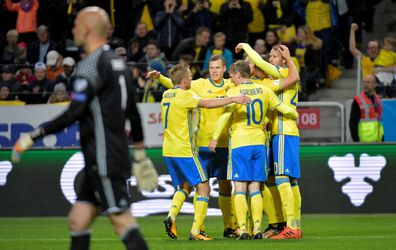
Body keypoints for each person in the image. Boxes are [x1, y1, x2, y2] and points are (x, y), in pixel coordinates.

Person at [11, 7, 158, 250]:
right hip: (105, 156)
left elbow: (74, 112)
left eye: (77, 24)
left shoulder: (90, 66)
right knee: (78, 221)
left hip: (103, 158)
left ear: (88, 30)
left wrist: (35, 134)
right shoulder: (118, 64)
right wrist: (140, 154)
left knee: (123, 222)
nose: (73, 28)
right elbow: (133, 111)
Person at [148, 55, 240, 239]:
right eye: (211, 67)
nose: (214, 70)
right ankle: (198, 229)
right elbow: (203, 101)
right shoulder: (195, 88)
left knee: (219, 186)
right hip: (195, 146)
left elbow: (174, 84)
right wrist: (233, 99)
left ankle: (228, 226)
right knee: (201, 186)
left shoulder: (232, 84)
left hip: (212, 144)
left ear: (224, 69)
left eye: (217, 67)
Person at [208, 60, 298, 240]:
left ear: (239, 74)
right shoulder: (264, 90)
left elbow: (225, 116)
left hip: (240, 143)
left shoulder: (234, 92)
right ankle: (257, 229)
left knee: (240, 188)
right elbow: (284, 109)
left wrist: (215, 137)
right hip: (259, 144)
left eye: (232, 75)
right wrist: (295, 114)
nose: (231, 79)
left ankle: (243, 230)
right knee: (256, 187)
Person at [237, 43, 302, 239]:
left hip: (284, 131)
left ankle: (292, 226)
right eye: (271, 56)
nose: (270, 59)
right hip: (277, 132)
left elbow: (259, 62)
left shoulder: (283, 71)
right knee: (283, 180)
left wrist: (245, 46)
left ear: (283, 60)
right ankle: (287, 224)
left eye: (274, 56)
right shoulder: (271, 81)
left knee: (283, 178)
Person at [349, 74, 383, 142]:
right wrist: (356, 140)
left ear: (375, 84)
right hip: (363, 141)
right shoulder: (357, 101)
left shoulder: (378, 99)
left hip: (377, 140)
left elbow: (379, 120)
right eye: (365, 82)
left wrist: (382, 138)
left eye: (368, 82)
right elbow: (352, 122)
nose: (366, 84)